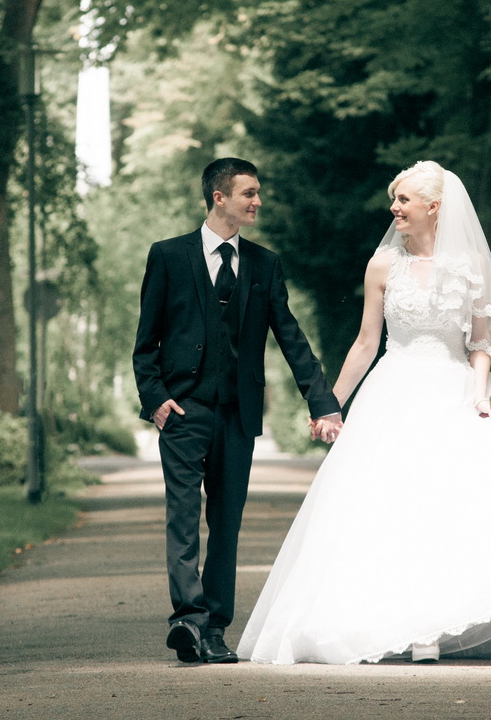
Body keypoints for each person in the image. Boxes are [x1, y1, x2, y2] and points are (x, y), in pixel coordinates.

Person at [239, 160, 491, 665]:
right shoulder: (382, 265)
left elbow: (480, 344)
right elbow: (367, 343)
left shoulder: (470, 265)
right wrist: (330, 402)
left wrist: (480, 396)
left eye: (404, 200)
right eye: (395, 199)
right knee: (389, 506)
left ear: (435, 207)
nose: (395, 208)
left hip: (454, 390)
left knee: (452, 506)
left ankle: (437, 624)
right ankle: (394, 621)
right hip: (394, 391)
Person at [132, 157, 341, 666]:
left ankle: (216, 626)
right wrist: (156, 400)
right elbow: (146, 344)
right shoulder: (168, 256)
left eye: (258, 192)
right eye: (249, 192)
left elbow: (290, 337)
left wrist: (323, 402)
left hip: (238, 416)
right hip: (183, 413)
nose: (258, 201)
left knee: (226, 523)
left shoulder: (265, 265)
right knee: (182, 518)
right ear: (219, 197)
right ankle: (187, 619)